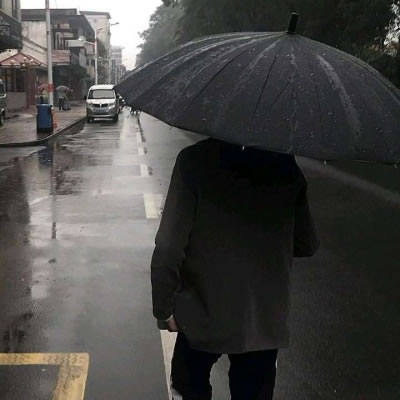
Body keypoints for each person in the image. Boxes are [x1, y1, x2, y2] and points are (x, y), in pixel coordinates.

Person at [151, 138, 320, 400]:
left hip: (202, 314)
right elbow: (306, 243)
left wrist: (164, 309)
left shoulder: (194, 161)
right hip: (263, 321)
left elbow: (168, 248)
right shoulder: (285, 165)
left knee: (188, 383)